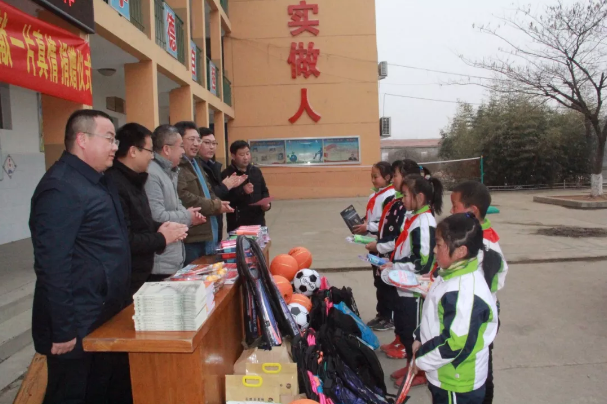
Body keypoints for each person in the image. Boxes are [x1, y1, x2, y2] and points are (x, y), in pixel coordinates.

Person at [29, 109, 131, 403]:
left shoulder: (98, 180)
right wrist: (63, 329)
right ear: (82, 139)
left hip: (104, 313)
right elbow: (52, 265)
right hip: (77, 322)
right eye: (109, 139)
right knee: (73, 393)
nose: (115, 147)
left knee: (106, 390)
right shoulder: (60, 187)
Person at [412, 213, 499, 404]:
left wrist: (420, 360)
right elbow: (434, 315)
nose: (434, 250)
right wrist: (420, 337)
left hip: (455, 381)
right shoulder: (449, 274)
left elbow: (454, 344)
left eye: (439, 244)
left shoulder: (465, 293)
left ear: (460, 251)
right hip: (443, 371)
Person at [106, 123, 189, 295]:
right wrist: (161, 237)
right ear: (133, 151)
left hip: (140, 272)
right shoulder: (115, 184)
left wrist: (162, 227)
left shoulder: (136, 179)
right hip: (128, 278)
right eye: (149, 151)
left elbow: (142, 221)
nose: (152, 157)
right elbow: (125, 238)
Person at [381, 173, 444, 389]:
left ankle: (420, 372)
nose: (402, 199)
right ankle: (411, 366)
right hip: (404, 286)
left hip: (415, 290)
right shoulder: (413, 218)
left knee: (414, 332)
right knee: (404, 328)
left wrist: (395, 266)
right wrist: (393, 264)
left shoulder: (424, 223)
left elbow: (422, 263)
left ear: (420, 197)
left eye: (405, 195)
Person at [450, 181, 508, 404]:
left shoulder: (486, 246)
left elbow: (483, 286)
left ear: (472, 211)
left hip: (478, 315)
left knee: (482, 364)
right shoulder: (474, 238)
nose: (451, 211)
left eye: (455, 206)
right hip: (472, 312)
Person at [365, 160, 424, 361]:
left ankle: (408, 349)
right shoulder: (398, 203)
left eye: (396, 175)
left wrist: (382, 249)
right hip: (395, 261)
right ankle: (400, 340)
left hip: (405, 270)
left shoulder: (415, 213)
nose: (393, 179)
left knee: (407, 312)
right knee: (398, 305)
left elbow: (406, 243)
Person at [145, 124, 206, 280]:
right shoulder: (152, 174)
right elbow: (157, 216)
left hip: (173, 256)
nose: (183, 151)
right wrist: (187, 216)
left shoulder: (170, 172)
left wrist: (189, 216)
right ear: (167, 149)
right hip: (160, 262)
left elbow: (177, 204)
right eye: (180, 146)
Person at [175, 121, 233, 264]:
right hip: (192, 237)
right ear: (179, 140)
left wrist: (218, 203)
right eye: (192, 139)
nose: (196, 144)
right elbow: (184, 197)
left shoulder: (195, 163)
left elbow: (208, 190)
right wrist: (215, 205)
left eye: (198, 140)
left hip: (208, 232)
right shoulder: (178, 166)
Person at [352, 161, 395, 331]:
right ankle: (381, 314)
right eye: (371, 176)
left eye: (376, 176)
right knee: (378, 281)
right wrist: (362, 223)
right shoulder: (375, 195)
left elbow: (386, 223)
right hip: (372, 244)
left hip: (383, 245)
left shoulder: (390, 196)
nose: (373, 180)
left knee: (385, 281)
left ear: (388, 177)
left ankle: (389, 317)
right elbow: (372, 217)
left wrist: (368, 227)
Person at [197, 127, 246, 242]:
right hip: (203, 226)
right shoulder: (196, 168)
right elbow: (206, 196)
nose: (211, 147)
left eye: (214, 143)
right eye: (207, 143)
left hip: (216, 221)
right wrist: (225, 186)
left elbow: (220, 196)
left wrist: (232, 186)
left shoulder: (213, 167)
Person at [222, 140, 271, 232]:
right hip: (238, 224)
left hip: (258, 222)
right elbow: (225, 198)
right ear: (233, 156)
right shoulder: (227, 174)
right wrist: (243, 191)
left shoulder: (256, 171)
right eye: (241, 155)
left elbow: (264, 191)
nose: (245, 157)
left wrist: (267, 205)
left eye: (247, 154)